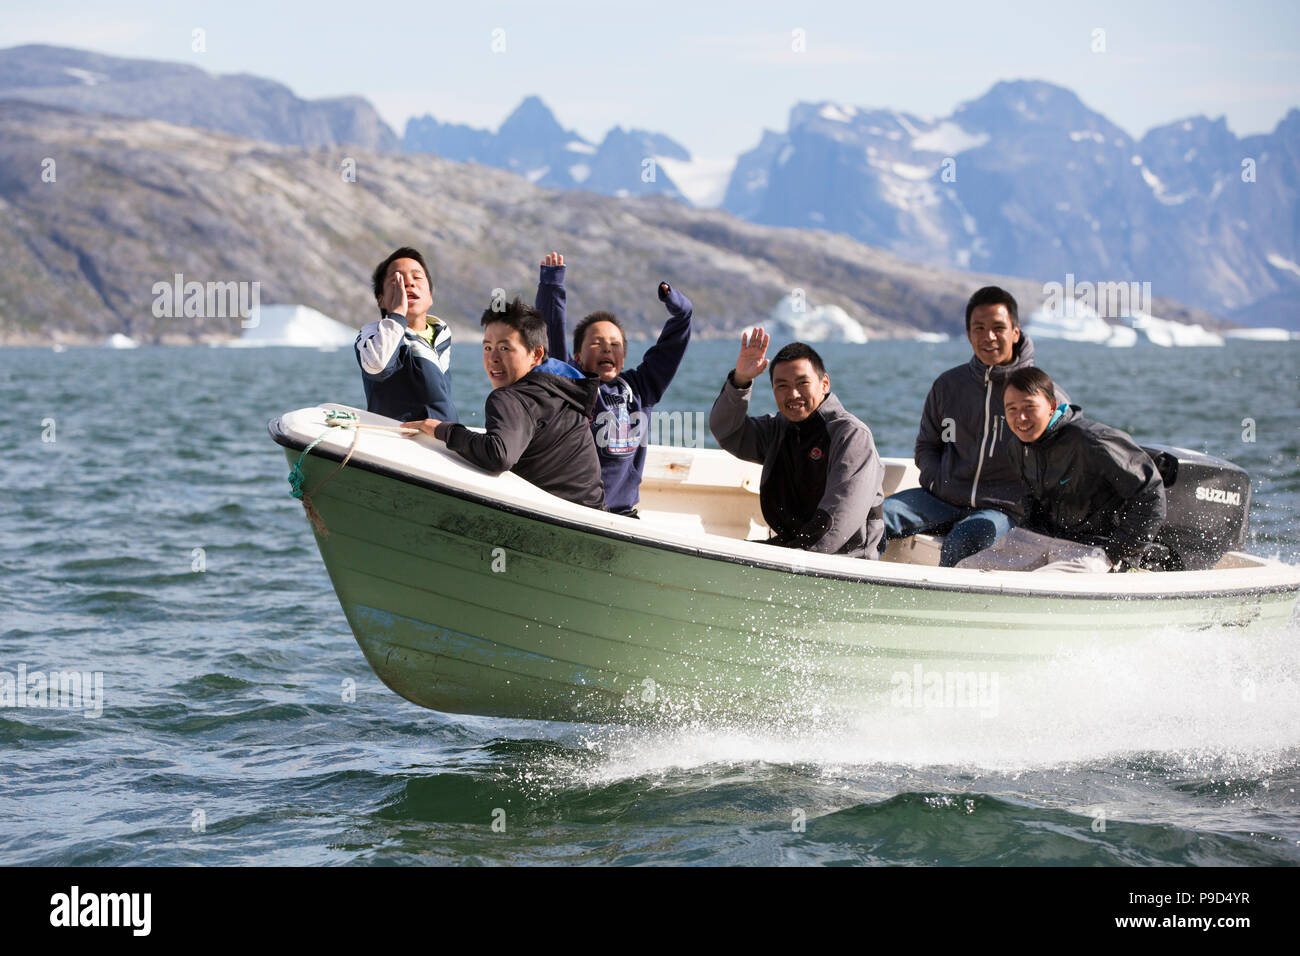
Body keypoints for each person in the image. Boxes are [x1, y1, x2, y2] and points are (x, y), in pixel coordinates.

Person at [881, 285, 1068, 566]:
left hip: (1002, 510)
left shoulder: (1043, 397)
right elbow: (927, 446)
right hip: (941, 497)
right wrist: (938, 480)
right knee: (879, 516)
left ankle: (943, 607)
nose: (988, 337)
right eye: (978, 328)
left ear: (1015, 332)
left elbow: (1065, 465)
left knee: (967, 537)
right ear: (968, 334)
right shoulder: (948, 386)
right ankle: (854, 594)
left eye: (998, 327)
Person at [956, 367, 1165, 573]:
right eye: (1012, 409)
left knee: (1044, 583)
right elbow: (1032, 499)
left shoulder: (1093, 442)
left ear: (1052, 406)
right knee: (966, 570)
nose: (1020, 418)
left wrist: (1115, 553)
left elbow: (1151, 494)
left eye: (1029, 407)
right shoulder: (1017, 446)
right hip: (1046, 540)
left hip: (1097, 549)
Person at [403, 297, 604, 510]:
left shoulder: (510, 398)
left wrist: (442, 430)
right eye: (488, 348)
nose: (493, 359)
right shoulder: (562, 390)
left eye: (505, 348)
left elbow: (498, 455)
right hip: (595, 513)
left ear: (535, 354)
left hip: (556, 521)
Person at [535, 252, 693, 516]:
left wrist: (677, 305)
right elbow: (550, 336)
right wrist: (552, 286)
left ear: (623, 355)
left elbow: (675, 339)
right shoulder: (570, 382)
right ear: (577, 356)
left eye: (615, 345)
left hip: (622, 515)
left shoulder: (642, 387)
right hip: (572, 510)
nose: (607, 349)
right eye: (596, 343)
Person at [709, 329, 885, 558]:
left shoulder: (851, 436)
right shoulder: (779, 429)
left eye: (802, 383)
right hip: (790, 549)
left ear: (824, 384)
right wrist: (741, 380)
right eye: (782, 386)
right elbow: (728, 431)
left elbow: (837, 521)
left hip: (844, 562)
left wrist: (790, 559)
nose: (793, 394)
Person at [354, 246, 457, 423]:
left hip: (442, 441)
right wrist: (398, 315)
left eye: (417, 277)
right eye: (396, 280)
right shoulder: (372, 334)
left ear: (430, 296)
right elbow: (378, 366)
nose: (408, 283)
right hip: (398, 441)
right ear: (381, 299)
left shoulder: (442, 332)